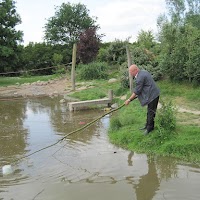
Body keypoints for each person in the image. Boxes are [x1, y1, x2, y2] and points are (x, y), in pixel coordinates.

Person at [125, 64, 160, 135]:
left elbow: (137, 91)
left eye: (131, 71)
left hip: (153, 95)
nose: (130, 73)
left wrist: (129, 100)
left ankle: (149, 129)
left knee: (151, 112)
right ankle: (147, 125)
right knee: (149, 111)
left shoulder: (140, 77)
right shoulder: (143, 72)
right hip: (152, 93)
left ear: (135, 70)